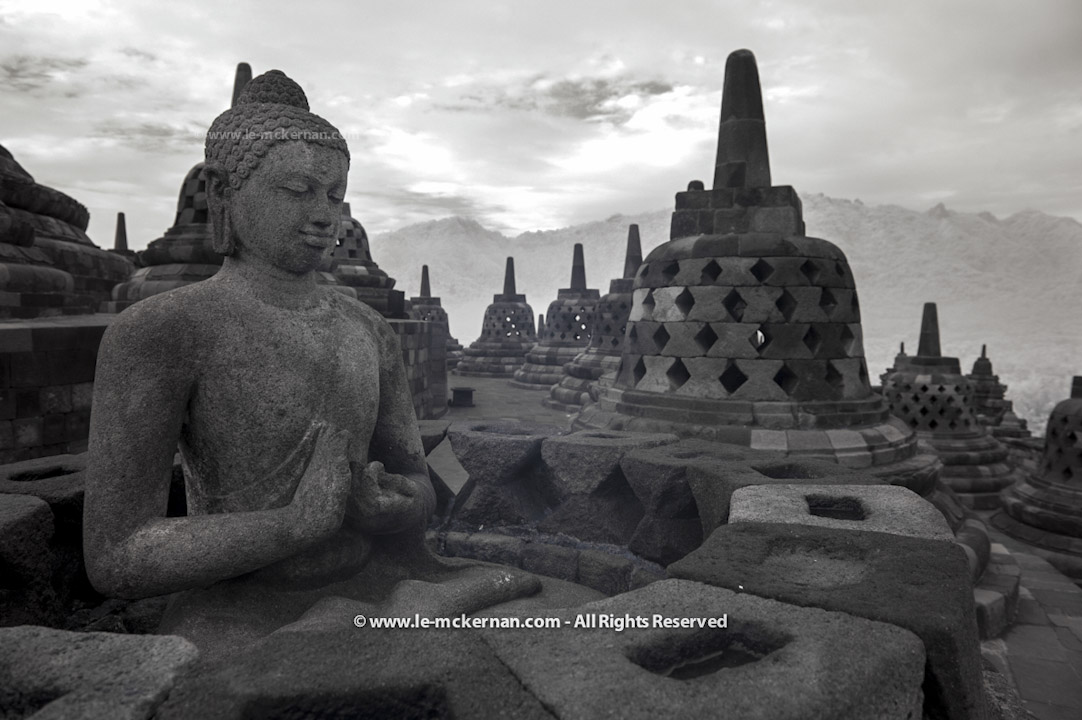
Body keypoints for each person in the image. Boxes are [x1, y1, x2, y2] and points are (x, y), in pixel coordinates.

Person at [83, 70, 539, 657]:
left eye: (335, 195)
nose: (326, 216)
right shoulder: (164, 331)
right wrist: (292, 527)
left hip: (381, 581)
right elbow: (118, 554)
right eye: (297, 190)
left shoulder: (369, 331)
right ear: (223, 196)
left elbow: (418, 481)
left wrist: (398, 505)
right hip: (241, 607)